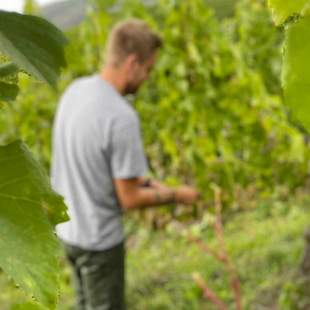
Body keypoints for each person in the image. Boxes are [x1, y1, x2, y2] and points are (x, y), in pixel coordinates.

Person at [51, 19, 200, 310]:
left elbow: (90, 163)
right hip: (99, 241)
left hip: (69, 232)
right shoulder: (121, 116)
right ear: (132, 63)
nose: (147, 78)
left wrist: (146, 183)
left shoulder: (75, 91)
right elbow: (129, 198)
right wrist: (177, 194)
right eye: (148, 70)